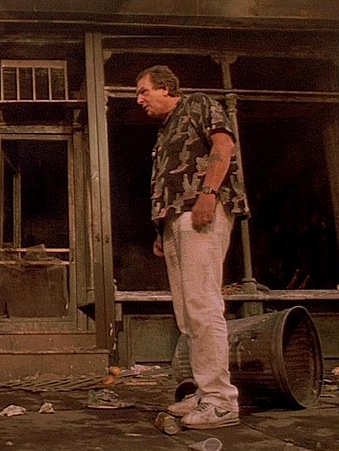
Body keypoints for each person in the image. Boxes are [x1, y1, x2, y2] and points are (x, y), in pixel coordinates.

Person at [135, 65, 249, 429]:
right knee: (187, 312)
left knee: (202, 303)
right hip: (175, 220)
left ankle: (221, 401)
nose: (139, 100)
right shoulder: (165, 129)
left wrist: (208, 194)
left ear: (166, 88)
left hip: (201, 211)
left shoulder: (198, 103)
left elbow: (224, 145)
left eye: (143, 91)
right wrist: (162, 227)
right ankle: (204, 393)